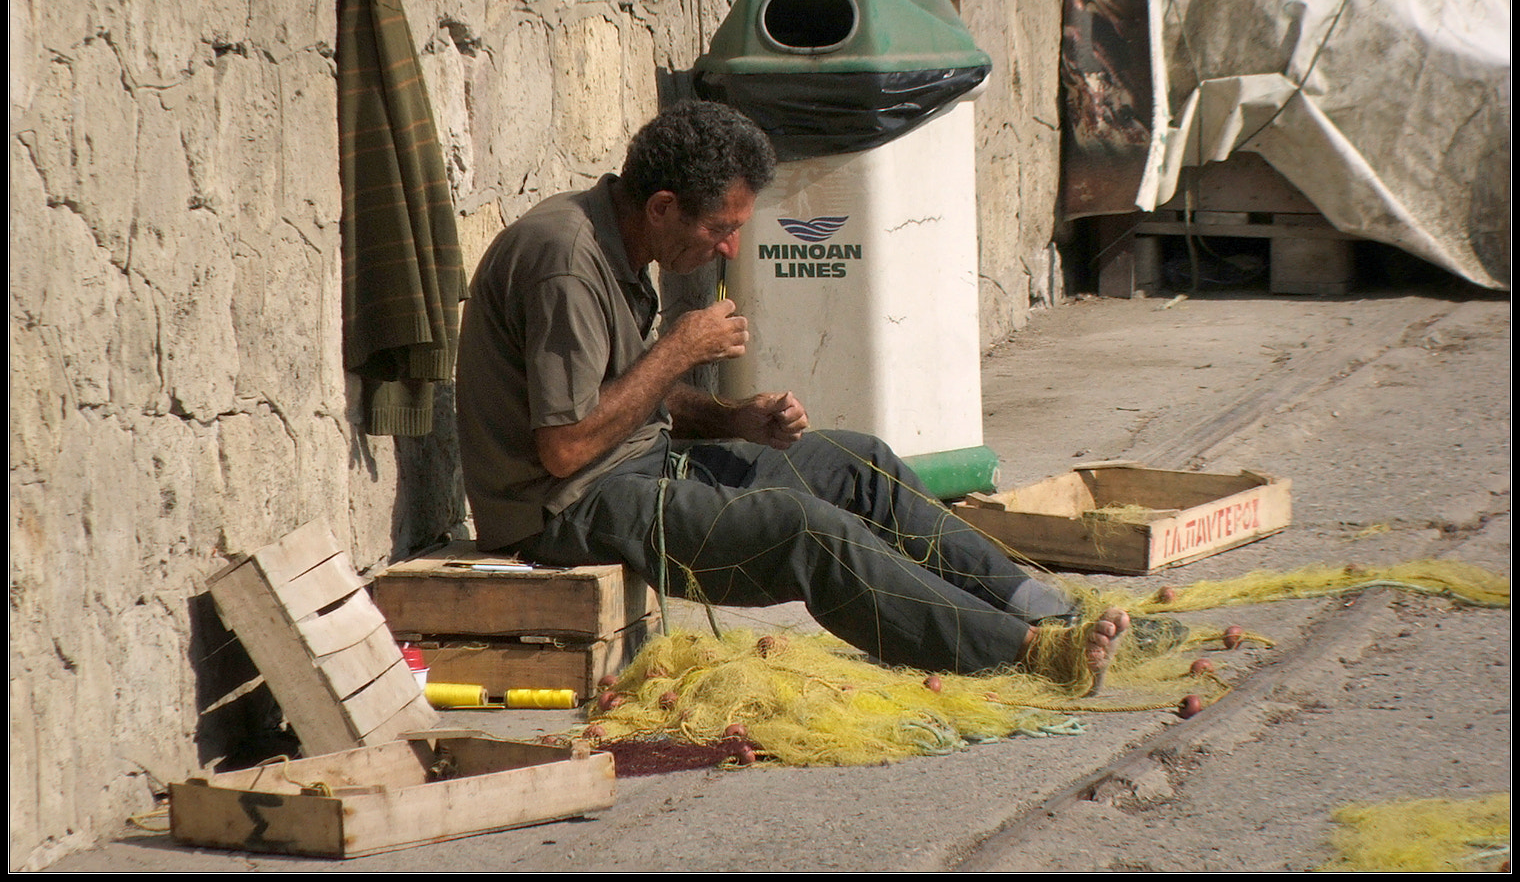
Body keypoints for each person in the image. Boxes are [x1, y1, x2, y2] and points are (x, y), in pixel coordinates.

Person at [455, 100, 1128, 687]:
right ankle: (1030, 652)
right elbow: (567, 447)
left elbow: (628, 398)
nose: (730, 247)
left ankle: (1043, 608)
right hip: (560, 509)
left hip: (634, 464)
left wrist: (736, 418)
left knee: (860, 465)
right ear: (663, 207)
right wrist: (678, 350)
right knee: (805, 531)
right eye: (720, 228)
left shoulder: (626, 239)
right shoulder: (567, 262)